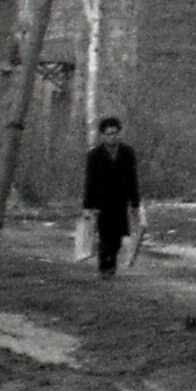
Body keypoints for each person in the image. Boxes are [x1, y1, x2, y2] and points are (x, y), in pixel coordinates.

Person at [83, 116, 142, 277]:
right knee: (104, 235)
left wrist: (135, 202)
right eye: (109, 134)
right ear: (103, 135)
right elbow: (90, 181)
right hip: (101, 202)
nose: (112, 137)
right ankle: (104, 267)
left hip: (120, 200)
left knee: (117, 237)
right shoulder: (94, 155)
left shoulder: (127, 153)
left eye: (115, 133)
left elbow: (132, 178)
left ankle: (112, 263)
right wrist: (88, 206)